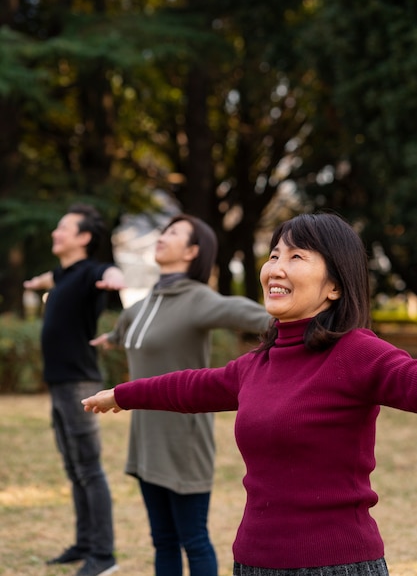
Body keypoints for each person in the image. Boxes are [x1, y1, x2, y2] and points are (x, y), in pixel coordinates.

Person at [81, 210, 417, 576]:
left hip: (335, 564)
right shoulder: (258, 363)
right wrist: (122, 394)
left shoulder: (356, 352)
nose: (276, 268)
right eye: (274, 255)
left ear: (334, 286)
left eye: (296, 256)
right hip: (253, 561)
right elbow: (192, 387)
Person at [89, 213, 271, 576]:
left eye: (173, 233)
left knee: (194, 539)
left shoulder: (198, 300)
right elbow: (127, 328)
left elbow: (247, 313)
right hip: (145, 438)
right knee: (163, 540)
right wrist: (110, 340)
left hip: (183, 441)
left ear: (192, 251)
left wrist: (311, 326)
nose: (162, 236)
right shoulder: (143, 305)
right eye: (163, 230)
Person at [24, 203, 124, 576]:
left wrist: (115, 277)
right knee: (73, 467)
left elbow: (107, 269)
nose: (55, 232)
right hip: (60, 382)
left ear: (83, 237)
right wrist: (35, 284)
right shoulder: (63, 274)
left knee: (88, 468)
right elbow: (49, 278)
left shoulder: (89, 273)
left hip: (79, 381)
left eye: (63, 228)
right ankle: (84, 543)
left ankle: (103, 554)